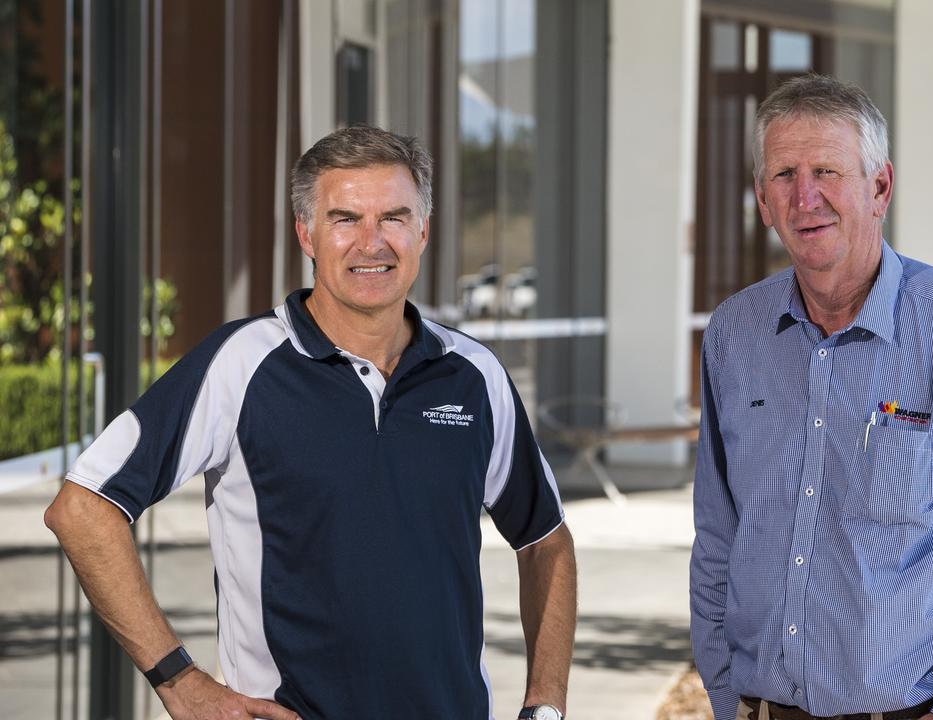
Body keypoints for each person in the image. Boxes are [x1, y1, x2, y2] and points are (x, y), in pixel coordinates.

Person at [45, 126, 576, 720]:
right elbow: (83, 507)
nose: (372, 243)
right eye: (345, 219)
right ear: (306, 234)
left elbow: (545, 541)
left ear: (423, 231)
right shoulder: (241, 364)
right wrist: (179, 682)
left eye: (395, 218)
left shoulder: (473, 374)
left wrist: (546, 704)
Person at [689, 75, 933, 720]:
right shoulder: (735, 334)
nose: (805, 196)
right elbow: (718, 536)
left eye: (827, 171)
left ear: (880, 188)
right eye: (783, 175)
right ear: (762, 199)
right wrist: (726, 693)